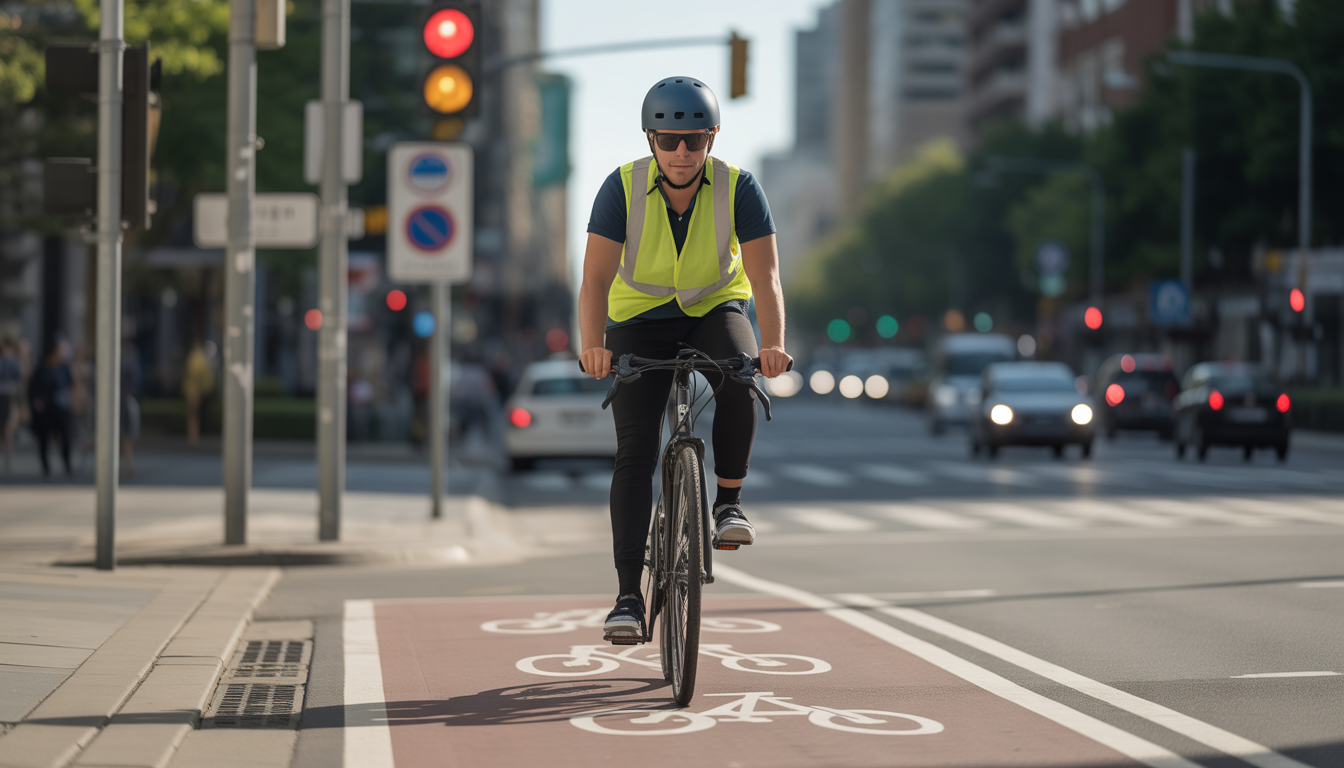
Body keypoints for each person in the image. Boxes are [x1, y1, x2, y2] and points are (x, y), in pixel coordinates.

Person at [578, 77, 792, 642]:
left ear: (712, 139)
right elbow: (596, 278)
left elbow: (765, 276)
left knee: (740, 376)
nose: (681, 153)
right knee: (635, 452)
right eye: (669, 140)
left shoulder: (740, 187)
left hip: (714, 308)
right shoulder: (620, 187)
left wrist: (771, 344)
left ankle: (728, 504)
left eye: (693, 141)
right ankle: (627, 597)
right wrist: (593, 344)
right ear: (650, 139)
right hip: (638, 322)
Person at [28, 338, 74, 477]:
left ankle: (67, 463)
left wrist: (75, 400)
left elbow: (71, 385)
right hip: (46, 408)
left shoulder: (64, 367)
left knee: (66, 436)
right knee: (44, 437)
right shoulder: (41, 369)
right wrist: (36, 400)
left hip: (62, 406)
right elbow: (33, 388)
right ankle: (46, 466)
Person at [182, 341, 214, 445]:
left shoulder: (195, 358)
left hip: (194, 391)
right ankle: (193, 436)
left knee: (193, 415)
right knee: (194, 415)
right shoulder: (202, 359)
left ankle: (193, 437)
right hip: (197, 390)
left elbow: (194, 376)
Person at [0, 336, 21, 473]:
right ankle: (9, 463)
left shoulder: (11, 360)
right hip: (8, 395)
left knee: (7, 430)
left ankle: (9, 463)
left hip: (7, 396)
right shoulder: (12, 360)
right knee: (7, 431)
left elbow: (18, 377)